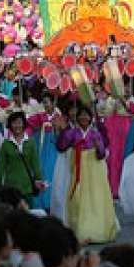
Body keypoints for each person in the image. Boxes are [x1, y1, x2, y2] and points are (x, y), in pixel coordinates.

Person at [55, 104, 117, 244]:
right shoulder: (72, 133)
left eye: (86, 115)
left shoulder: (95, 133)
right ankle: (81, 230)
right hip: (79, 169)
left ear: (90, 118)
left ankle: (97, 229)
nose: (84, 117)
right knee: (78, 198)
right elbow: (61, 147)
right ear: (77, 118)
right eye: (81, 115)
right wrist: (62, 130)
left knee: (95, 198)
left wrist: (98, 146)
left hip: (94, 169)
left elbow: (101, 155)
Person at [0, 111, 44, 201]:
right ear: (10, 125)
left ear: (23, 124)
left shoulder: (31, 142)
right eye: (14, 123)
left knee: (27, 213)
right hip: (10, 188)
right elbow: (0, 166)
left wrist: (39, 179)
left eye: (19, 122)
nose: (17, 125)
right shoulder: (6, 144)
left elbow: (35, 164)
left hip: (27, 187)